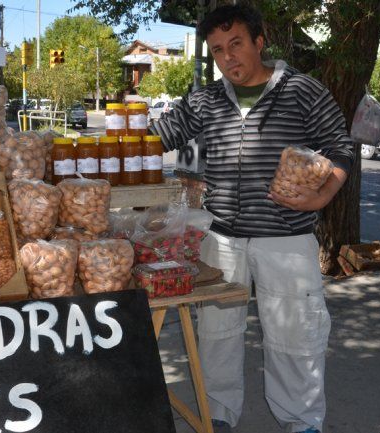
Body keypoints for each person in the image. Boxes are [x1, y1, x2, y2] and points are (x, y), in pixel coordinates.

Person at [150, 4, 354, 433]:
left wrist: (321, 198)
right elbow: (158, 137)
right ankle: (218, 413)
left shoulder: (302, 91)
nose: (228, 57)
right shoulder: (206, 99)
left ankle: (302, 421)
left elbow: (340, 148)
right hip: (222, 238)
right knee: (217, 334)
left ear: (259, 42)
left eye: (236, 44)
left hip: (287, 238)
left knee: (295, 333)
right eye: (217, 50)